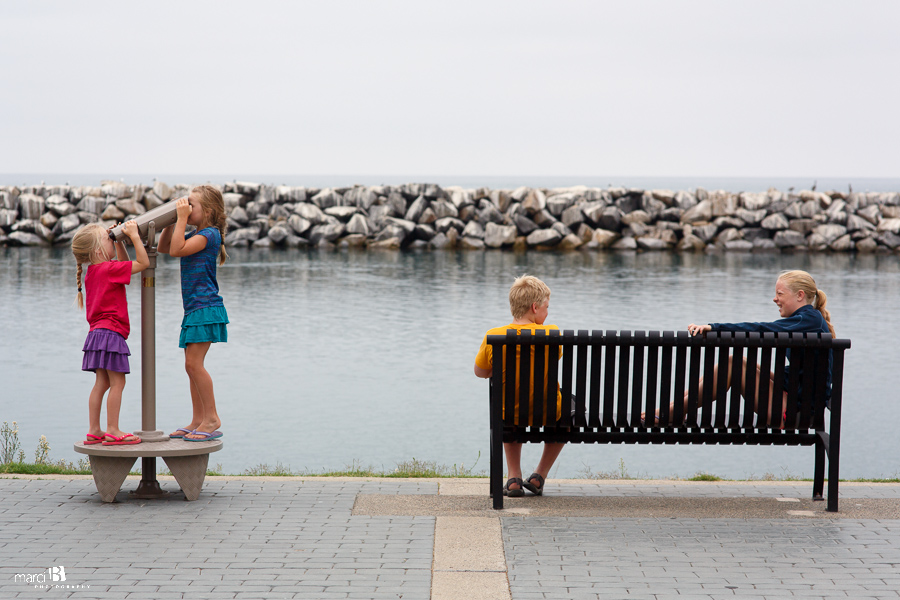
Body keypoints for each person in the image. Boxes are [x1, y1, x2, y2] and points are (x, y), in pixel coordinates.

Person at [644, 269, 836, 427]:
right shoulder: (809, 320)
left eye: (780, 294)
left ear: (800, 295)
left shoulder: (807, 319)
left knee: (734, 365)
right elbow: (802, 376)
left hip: (796, 414)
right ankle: (669, 409)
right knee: (736, 362)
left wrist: (716, 328)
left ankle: (671, 412)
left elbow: (763, 329)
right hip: (798, 406)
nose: (775, 299)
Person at [474, 275, 565, 497]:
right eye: (546, 308)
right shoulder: (553, 334)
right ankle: (539, 476)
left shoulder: (494, 336)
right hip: (549, 412)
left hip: (508, 412)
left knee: (507, 407)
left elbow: (480, 372)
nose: (547, 313)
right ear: (535, 307)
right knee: (571, 412)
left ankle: (514, 478)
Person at [158, 185, 229, 442]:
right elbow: (166, 247)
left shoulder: (209, 235)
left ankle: (211, 418)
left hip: (205, 308)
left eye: (192, 205)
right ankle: (198, 419)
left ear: (207, 211)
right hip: (194, 309)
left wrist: (181, 219)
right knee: (191, 367)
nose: (186, 208)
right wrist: (170, 220)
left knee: (193, 364)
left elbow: (177, 250)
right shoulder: (195, 233)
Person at [72, 220, 149, 446]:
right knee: (118, 384)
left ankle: (94, 430)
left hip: (96, 334)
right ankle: (113, 430)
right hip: (111, 333)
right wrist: (134, 235)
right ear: (98, 250)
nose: (112, 241)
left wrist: (119, 240)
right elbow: (142, 263)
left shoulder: (93, 271)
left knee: (101, 383)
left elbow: (124, 264)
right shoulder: (110, 270)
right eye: (109, 239)